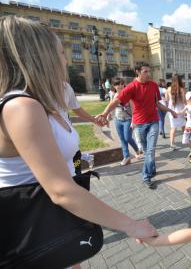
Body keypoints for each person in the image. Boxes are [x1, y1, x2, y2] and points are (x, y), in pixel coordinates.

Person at [0, 16, 157, 266]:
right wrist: (132, 225)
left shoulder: (46, 99)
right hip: (29, 227)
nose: (65, 59)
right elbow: (60, 190)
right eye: (61, 52)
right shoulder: (21, 106)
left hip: (51, 216)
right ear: (41, 57)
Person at [96, 62, 176, 189]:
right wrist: (105, 114)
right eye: (145, 71)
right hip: (139, 124)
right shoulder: (132, 87)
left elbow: (157, 104)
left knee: (150, 151)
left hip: (153, 122)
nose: (149, 74)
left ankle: (146, 176)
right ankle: (152, 168)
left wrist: (170, 111)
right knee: (147, 152)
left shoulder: (154, 85)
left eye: (149, 71)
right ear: (137, 72)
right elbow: (116, 100)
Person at [110, 78, 142, 166]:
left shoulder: (128, 95)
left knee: (127, 137)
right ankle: (126, 157)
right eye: (117, 84)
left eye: (121, 84)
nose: (120, 86)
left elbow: (133, 108)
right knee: (122, 139)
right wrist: (108, 116)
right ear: (114, 86)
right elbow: (111, 106)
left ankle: (137, 150)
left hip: (128, 119)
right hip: (118, 120)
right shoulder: (114, 95)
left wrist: (133, 120)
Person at [165, 74, 186, 150]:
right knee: (183, 125)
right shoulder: (182, 89)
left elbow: (166, 100)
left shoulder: (168, 89)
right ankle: (186, 139)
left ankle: (172, 143)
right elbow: (184, 101)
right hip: (180, 110)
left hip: (172, 111)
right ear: (180, 80)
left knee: (173, 127)